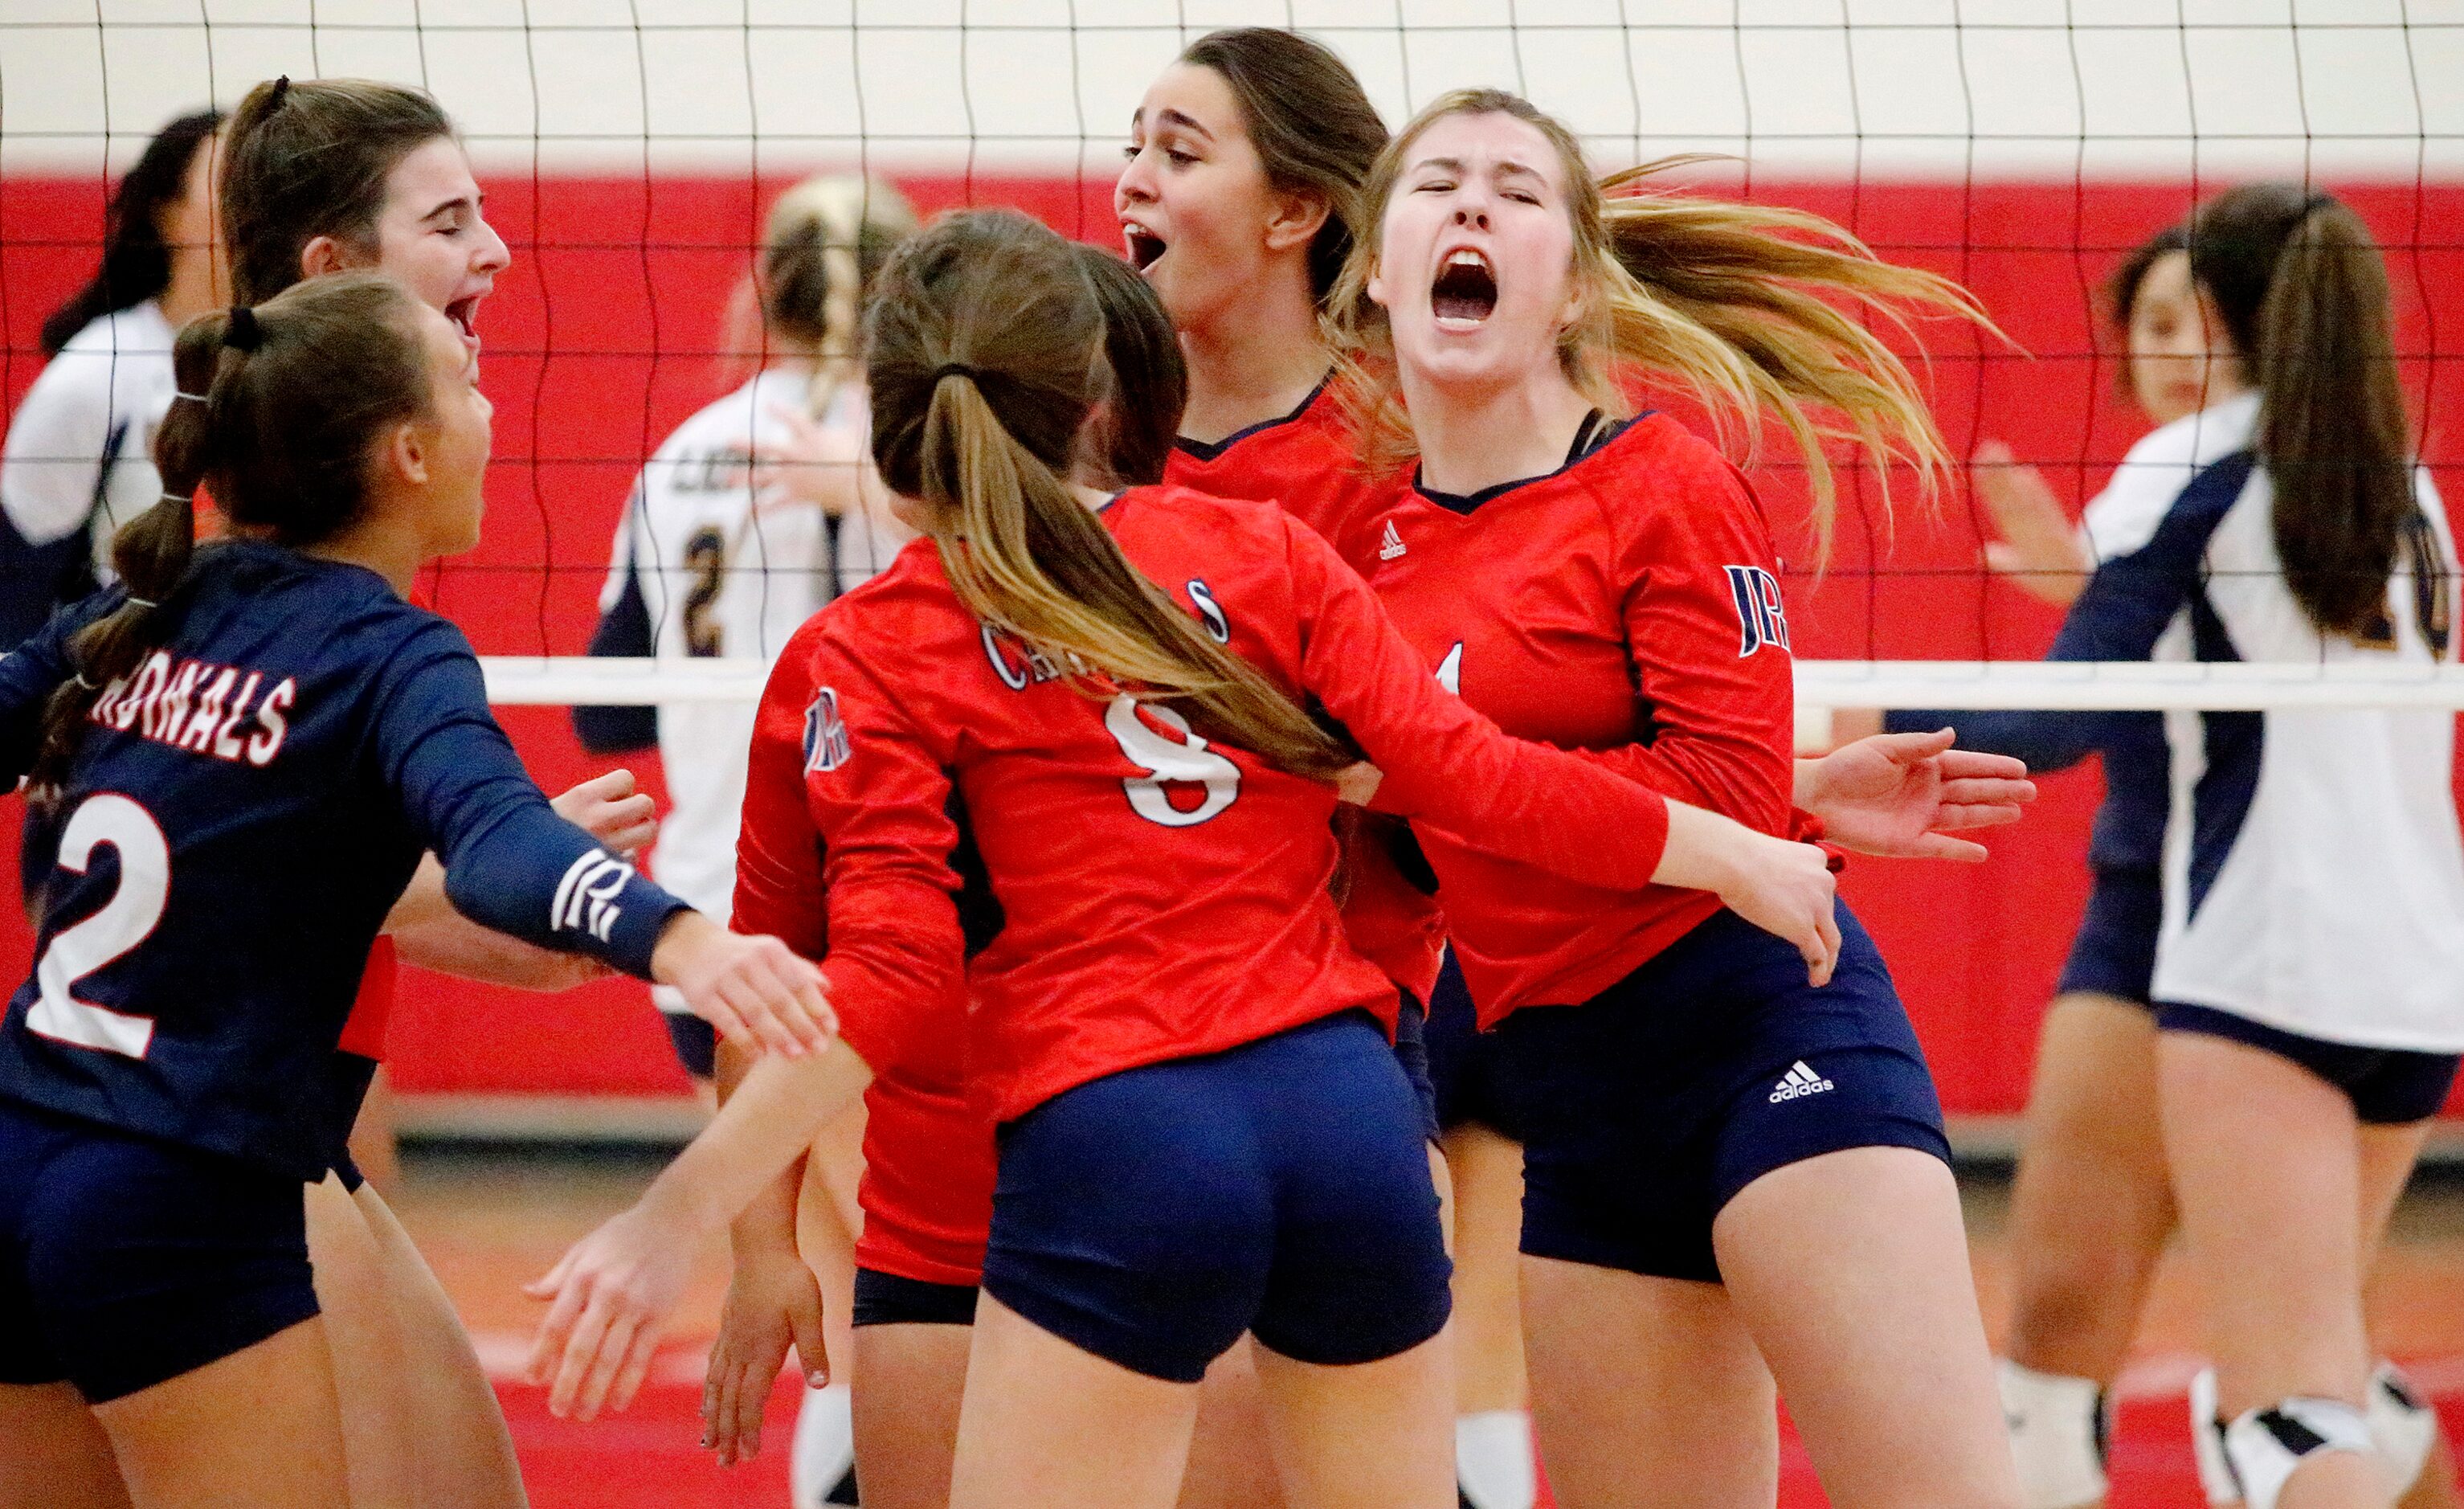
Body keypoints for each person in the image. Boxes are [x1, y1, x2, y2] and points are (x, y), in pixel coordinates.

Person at [524, 207, 1853, 1509]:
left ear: (892, 424)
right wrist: (1730, 846)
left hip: (1116, 1129)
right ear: (1096, 396)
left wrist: (682, 1215)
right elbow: (1480, 774)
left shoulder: (869, 649)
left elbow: (872, 979)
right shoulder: (1260, 552)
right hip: (1346, 1120)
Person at [1117, 32, 2041, 1508]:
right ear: (1376, 266)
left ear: (1577, 284)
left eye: (1513, 193)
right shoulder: (1364, 554)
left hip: (1759, 1030)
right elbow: (1443, 819)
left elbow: (1715, 813)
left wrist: (1761, 796)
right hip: (1574, 1095)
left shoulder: (1660, 482)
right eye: (1436, 184)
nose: (1471, 212)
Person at [0, 269, 834, 1509]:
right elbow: (495, 841)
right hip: (175, 1197)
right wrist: (684, 941)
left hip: (21, 1148)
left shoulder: (152, 605)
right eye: (466, 382)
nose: (491, 408)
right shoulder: (387, 648)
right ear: (407, 451)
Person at [1860, 217, 2462, 1509]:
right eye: (2148, 325)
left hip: (2255, 950)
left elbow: (2069, 712)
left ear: (2238, 323)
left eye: (2194, 316)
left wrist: (1837, 728)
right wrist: (2082, 588)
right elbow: (2209, 662)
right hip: (2383, 961)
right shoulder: (2388, 478)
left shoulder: (2196, 470)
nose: (2174, 346)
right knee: (2268, 1360)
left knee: (2285, 1405)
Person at [574, 174, 919, 1508]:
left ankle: (842, 1475)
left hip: (700, 929)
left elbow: (603, 693)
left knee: (833, 1264)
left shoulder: (686, 452)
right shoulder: (924, 456)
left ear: (765, 294)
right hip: (848, 928)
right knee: (901, 1268)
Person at [2, 110, 227, 928]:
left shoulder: (293, 358)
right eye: (224, 178)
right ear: (168, 214)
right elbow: (19, 575)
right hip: (121, 728)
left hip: (258, 710)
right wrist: (43, 745)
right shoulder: (98, 372)